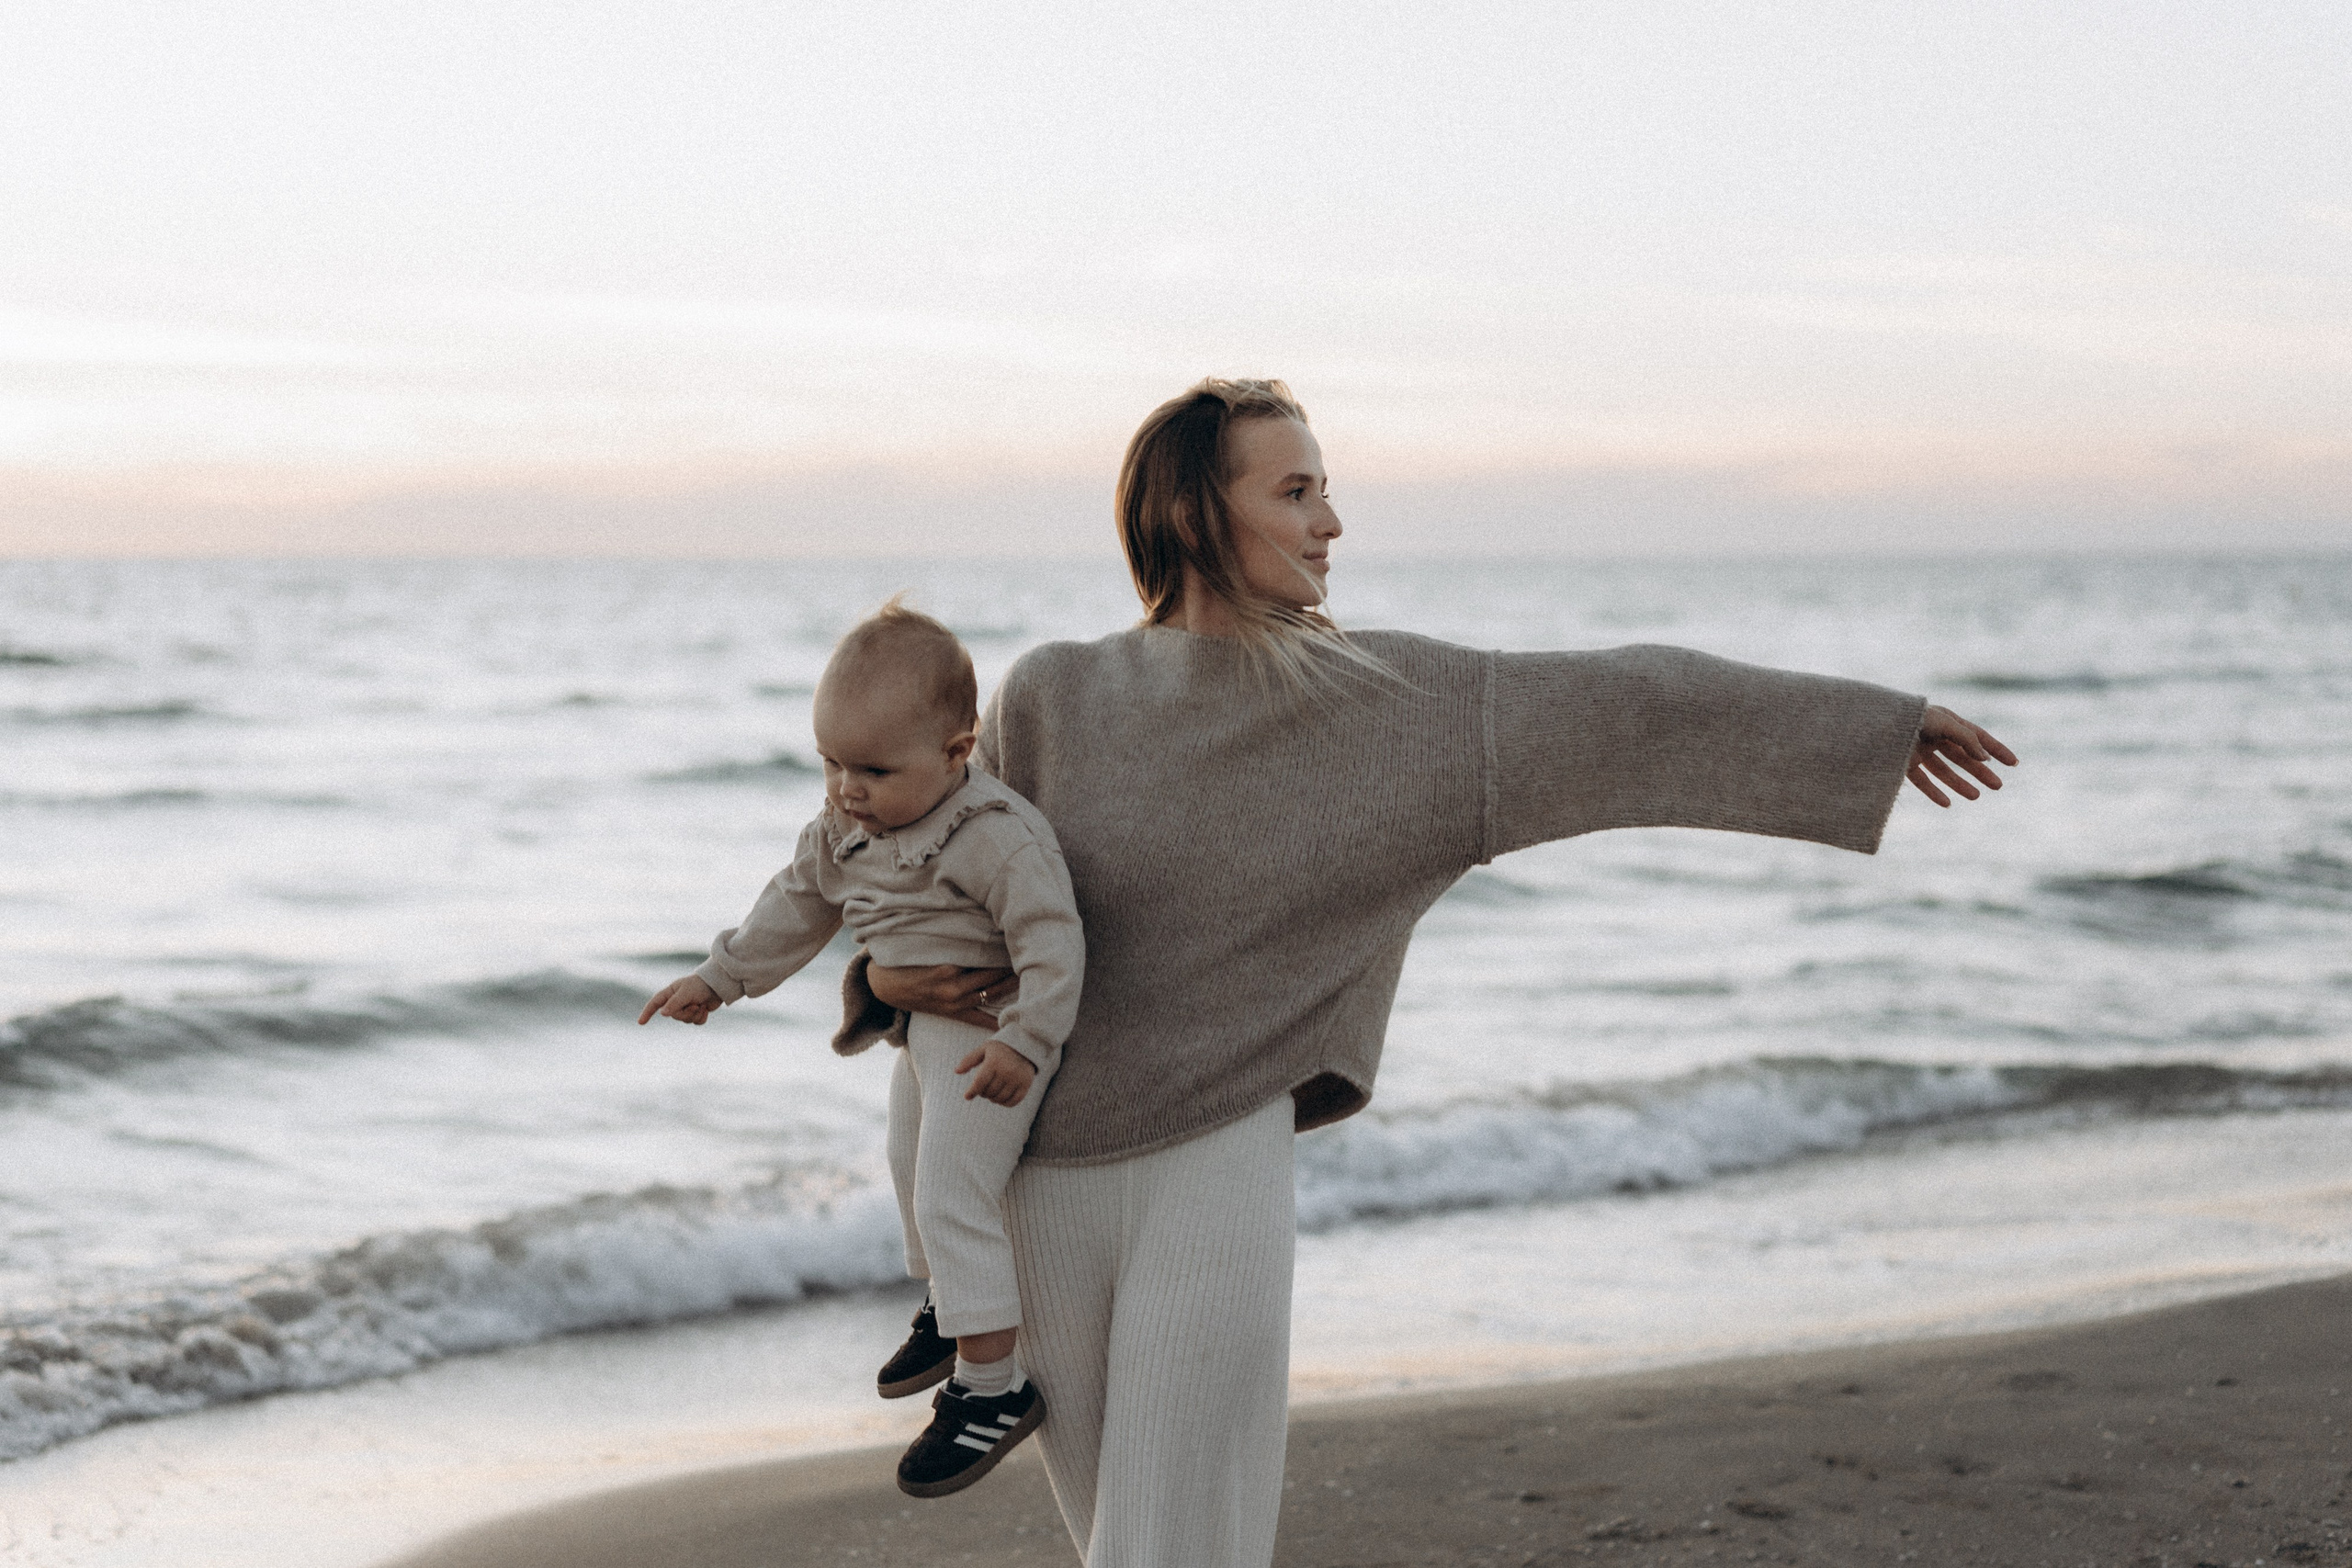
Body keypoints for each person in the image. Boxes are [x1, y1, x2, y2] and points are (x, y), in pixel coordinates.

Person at [854, 378, 2018, 1567]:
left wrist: (1876, 726)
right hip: (1033, 1179)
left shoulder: (1392, 703)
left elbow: (1629, 703)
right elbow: (936, 885)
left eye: (1326, 490)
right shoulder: (1055, 692)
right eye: (1295, 490)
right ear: (1196, 513)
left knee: (1178, 1545)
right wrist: (891, 979)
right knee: (1120, 1535)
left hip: (1214, 1170)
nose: (1331, 523)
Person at [638, 598, 1084, 1499]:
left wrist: (1027, 1046)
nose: (848, 788)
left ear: (958, 751)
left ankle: (991, 1390)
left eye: (873, 769)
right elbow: (795, 904)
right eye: (832, 763)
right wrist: (719, 978)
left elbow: (1054, 944)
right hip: (919, 1028)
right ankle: (945, 1307)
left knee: (956, 1191)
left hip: (993, 1032)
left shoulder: (996, 836)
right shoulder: (843, 826)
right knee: (905, 1161)